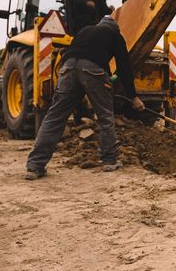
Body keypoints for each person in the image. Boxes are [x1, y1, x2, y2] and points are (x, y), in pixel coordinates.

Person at [25, 15, 144, 180]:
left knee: (54, 117)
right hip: (93, 70)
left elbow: (77, 56)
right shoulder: (115, 35)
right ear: (115, 28)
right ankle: (110, 160)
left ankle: (35, 165)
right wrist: (133, 97)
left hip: (67, 68)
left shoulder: (85, 31)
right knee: (105, 116)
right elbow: (124, 67)